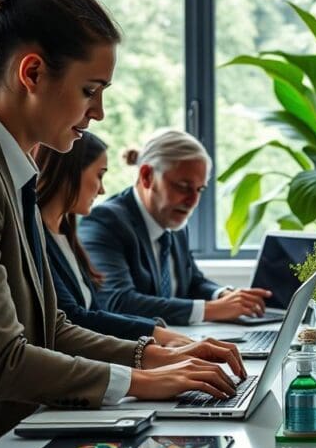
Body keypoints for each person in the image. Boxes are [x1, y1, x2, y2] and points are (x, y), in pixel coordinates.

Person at [0, 0, 247, 448]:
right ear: (32, 72)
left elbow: (50, 328)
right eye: (89, 90)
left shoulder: (15, 170)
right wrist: (144, 382)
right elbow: (1, 363)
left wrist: (156, 355)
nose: (97, 114)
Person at [79, 129, 271, 325]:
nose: (193, 201)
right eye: (183, 186)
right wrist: (211, 309)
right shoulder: (104, 222)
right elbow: (117, 302)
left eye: (199, 189)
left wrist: (224, 295)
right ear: (147, 176)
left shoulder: (174, 220)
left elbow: (192, 282)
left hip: (178, 343)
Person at [35, 131, 192, 345]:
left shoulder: (66, 234)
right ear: (70, 171)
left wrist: (156, 329)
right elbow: (73, 318)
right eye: (99, 175)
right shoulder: (36, 236)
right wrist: (155, 333)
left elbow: (94, 311)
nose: (102, 190)